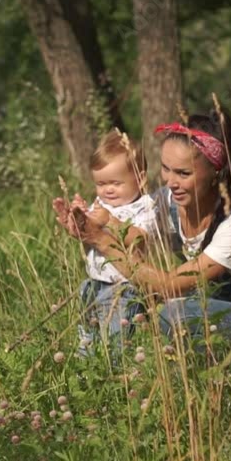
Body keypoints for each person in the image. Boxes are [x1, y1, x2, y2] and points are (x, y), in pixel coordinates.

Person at [54, 107, 231, 405]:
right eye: (165, 169)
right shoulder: (169, 201)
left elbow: (168, 286)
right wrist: (89, 222)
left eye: (183, 173)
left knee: (174, 312)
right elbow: (131, 229)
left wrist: (101, 240)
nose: (169, 181)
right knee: (138, 296)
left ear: (216, 172)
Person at [63, 129, 158, 358]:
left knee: (115, 343)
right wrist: (80, 217)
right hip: (93, 284)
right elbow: (90, 237)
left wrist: (110, 221)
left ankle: (114, 375)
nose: (107, 190)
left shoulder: (144, 206)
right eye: (101, 183)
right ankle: (86, 373)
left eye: (115, 182)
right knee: (87, 338)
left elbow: (139, 239)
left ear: (141, 178)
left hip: (123, 287)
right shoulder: (100, 204)